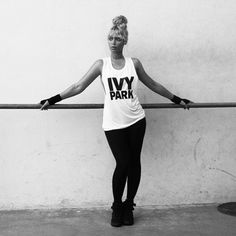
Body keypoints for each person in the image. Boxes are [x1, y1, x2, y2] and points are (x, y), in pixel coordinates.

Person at [40, 15, 191, 227]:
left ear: (125, 41)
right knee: (123, 163)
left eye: (117, 39)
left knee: (134, 162)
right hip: (113, 123)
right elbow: (78, 86)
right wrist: (53, 99)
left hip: (136, 120)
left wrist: (177, 99)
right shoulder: (101, 65)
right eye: (110, 38)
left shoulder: (133, 64)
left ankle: (129, 206)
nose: (113, 42)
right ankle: (117, 206)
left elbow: (153, 84)